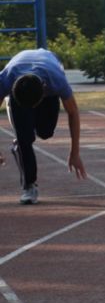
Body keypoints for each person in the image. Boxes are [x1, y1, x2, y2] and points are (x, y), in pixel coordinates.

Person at [0, 49, 87, 204]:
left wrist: (75, 153)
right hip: (19, 89)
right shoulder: (5, 79)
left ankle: (26, 133)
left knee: (46, 132)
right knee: (24, 139)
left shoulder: (56, 80)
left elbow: (73, 113)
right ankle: (29, 185)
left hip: (47, 82)